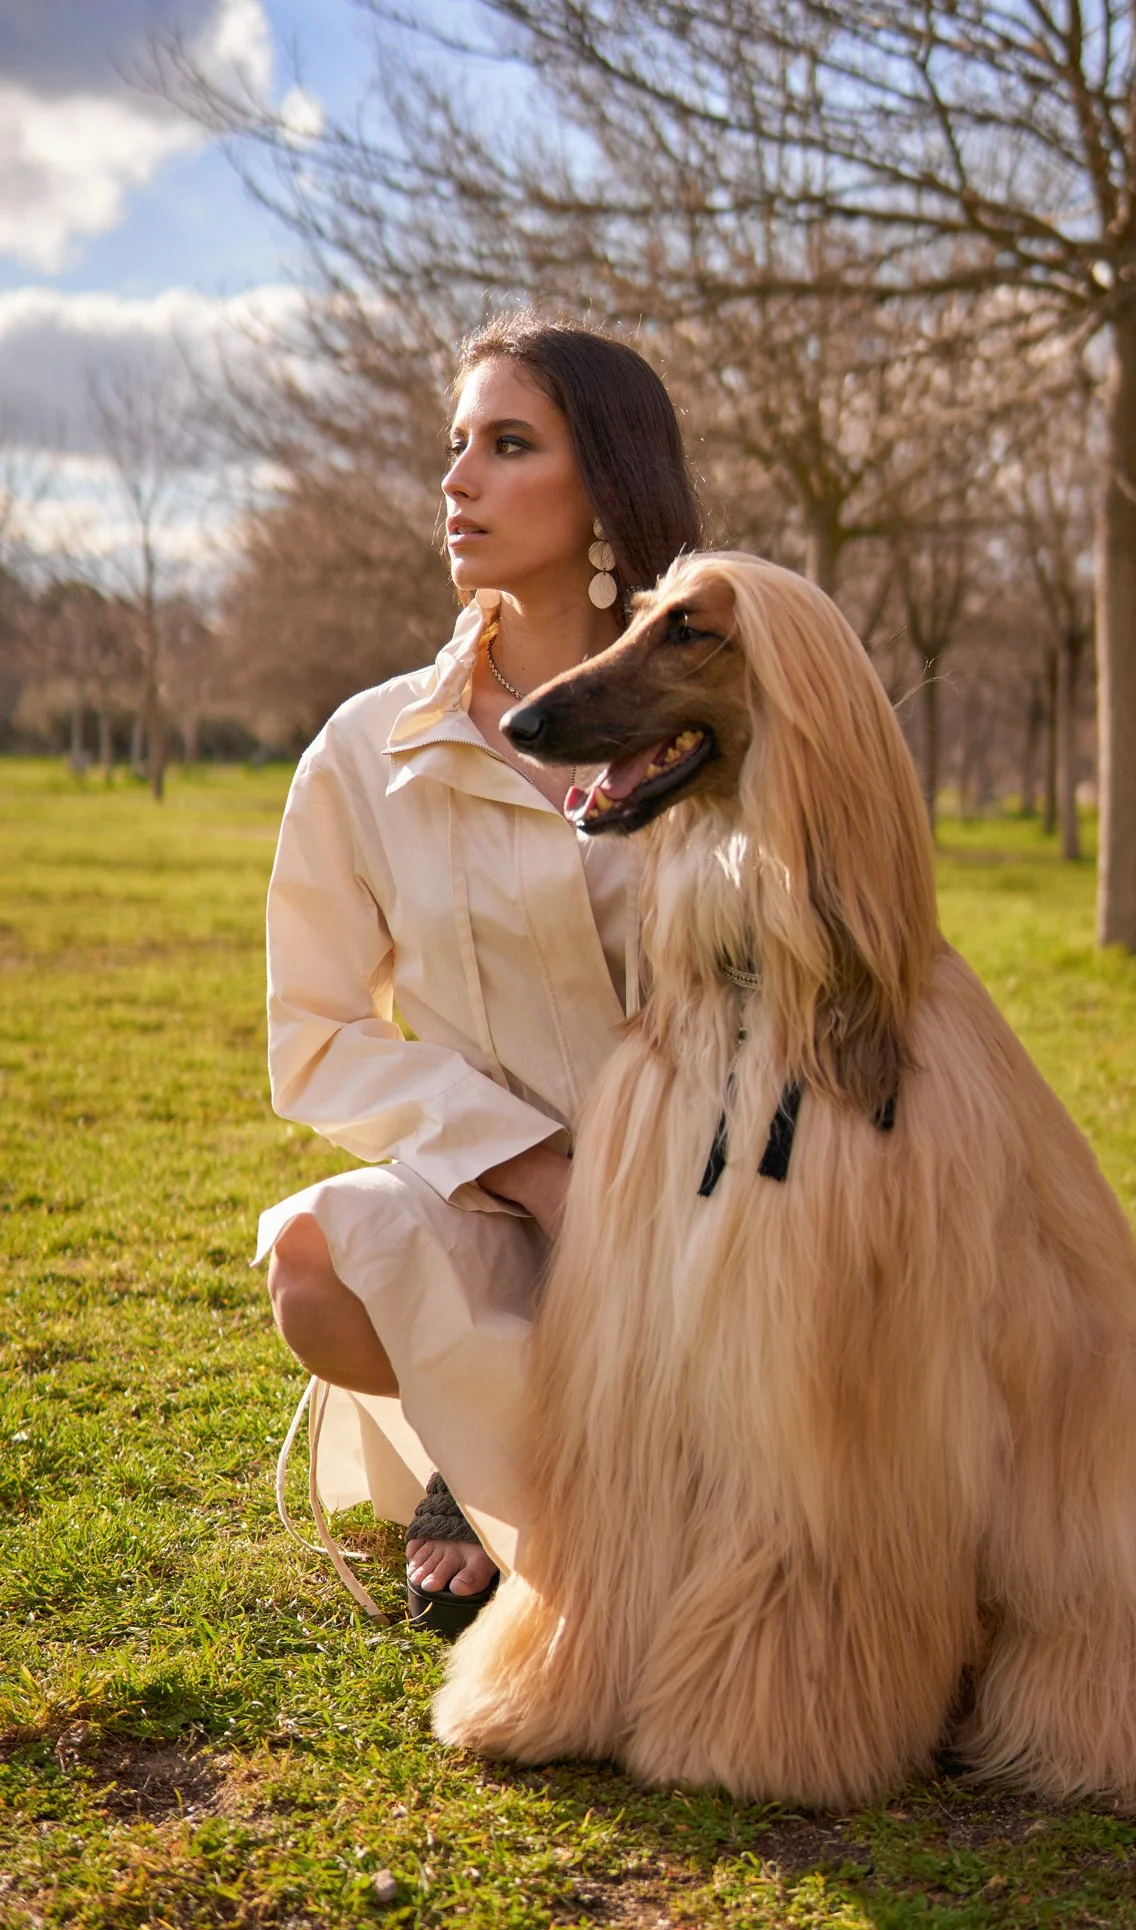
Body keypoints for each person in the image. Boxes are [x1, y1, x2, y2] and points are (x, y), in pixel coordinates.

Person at [255, 314, 702, 1629]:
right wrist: (539, 1172)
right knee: (315, 1262)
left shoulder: (718, 728)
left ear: (607, 482)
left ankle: (569, 1479)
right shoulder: (366, 747)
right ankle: (495, 1456)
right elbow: (316, 1035)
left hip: (713, 1207)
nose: (456, 480)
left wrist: (648, 1193)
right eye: (457, 444)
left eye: (509, 445)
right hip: (495, 1206)